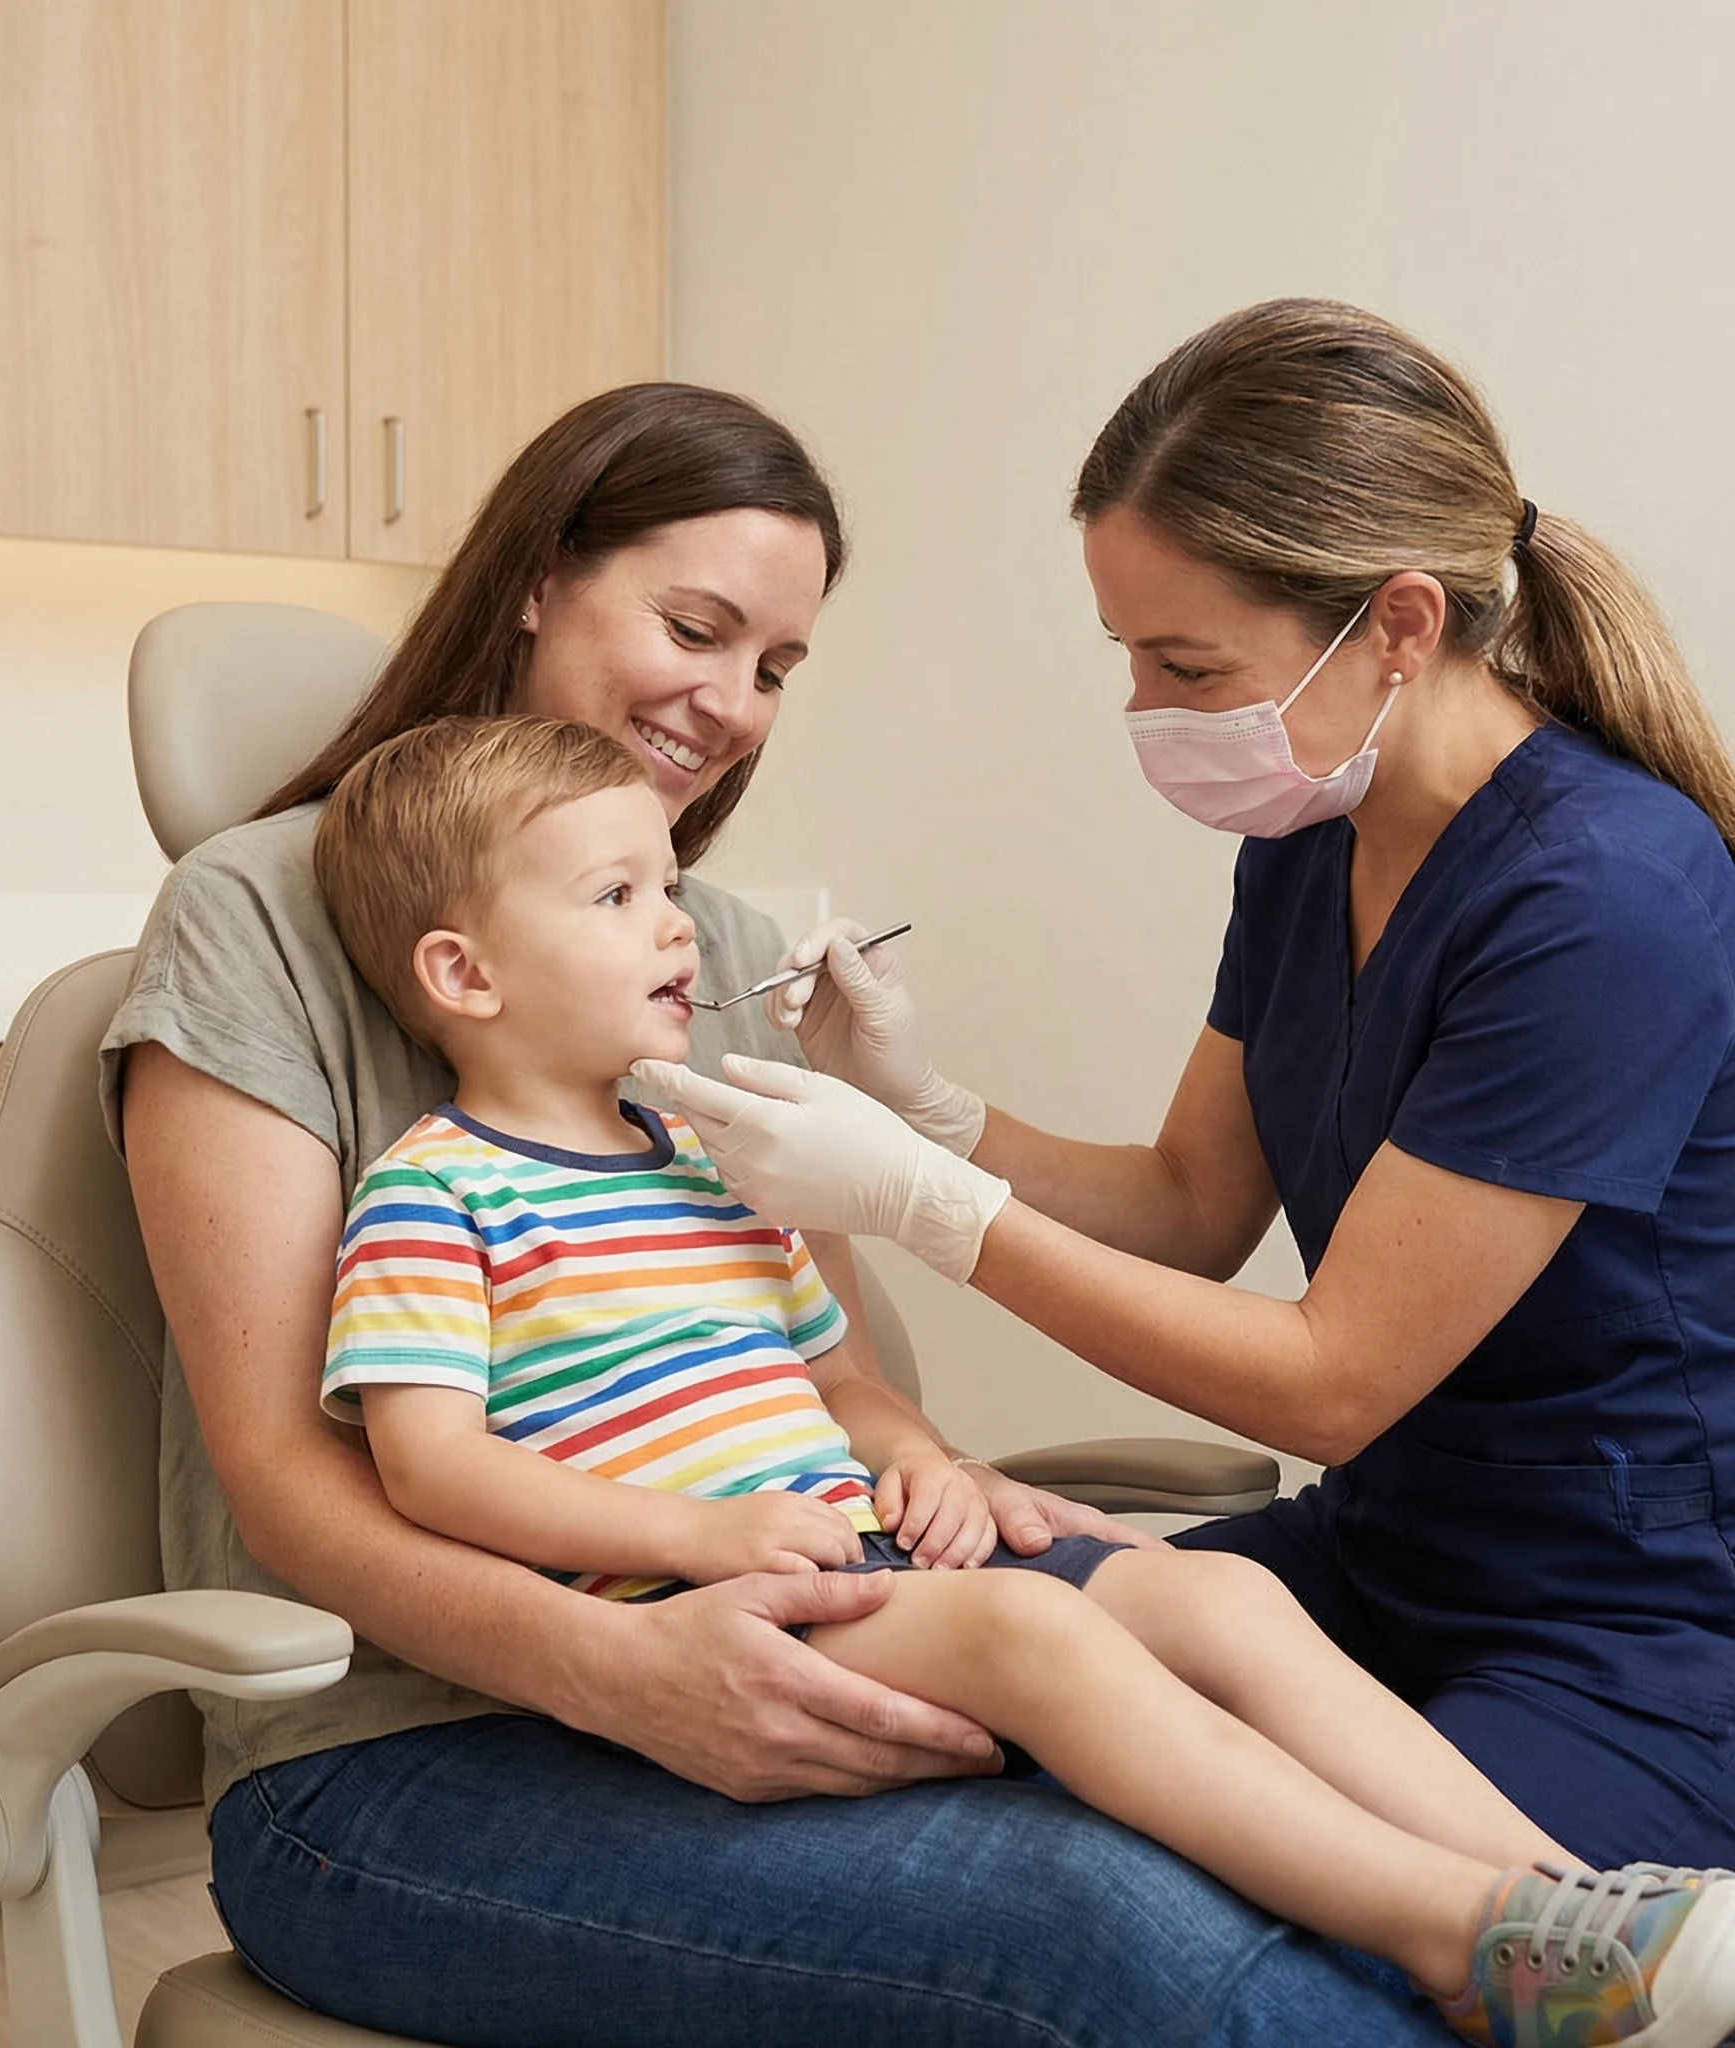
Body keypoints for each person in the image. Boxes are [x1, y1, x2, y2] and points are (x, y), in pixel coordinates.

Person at [106, 378, 1476, 2044]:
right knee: (1116, 1927)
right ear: (539, 574)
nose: (733, 705)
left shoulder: (703, 954)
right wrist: (622, 1673)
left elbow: (818, 1362)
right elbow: (289, 1487)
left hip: (797, 1601)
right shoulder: (251, 915)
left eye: (777, 667)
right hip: (404, 1755)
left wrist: (932, 1464)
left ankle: (1584, 1949)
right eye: (695, 628)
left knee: (1224, 1741)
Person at [312, 708, 1735, 2048]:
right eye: (618, 897)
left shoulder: (710, 1165)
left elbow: (835, 1389)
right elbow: (430, 1466)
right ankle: (1461, 1935)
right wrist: (694, 1534)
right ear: (463, 974)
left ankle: (1596, 1919)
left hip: (854, 1562)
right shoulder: (439, 1194)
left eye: (671, 883)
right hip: (715, 1610)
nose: (679, 921)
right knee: (1040, 1644)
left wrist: (914, 1452)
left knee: (1219, 1591)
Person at [641, 301, 1735, 1887]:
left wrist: (922, 1204)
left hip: (1625, 1629)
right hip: (1374, 1560)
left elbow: (1325, 1382)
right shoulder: (1308, 843)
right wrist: (927, 1104)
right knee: (907, 1702)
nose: (1149, 705)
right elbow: (1190, 1211)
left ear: (1402, 625)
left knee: (1191, 1904)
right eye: (1132, 655)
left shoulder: (1607, 893)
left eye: (1189, 660)